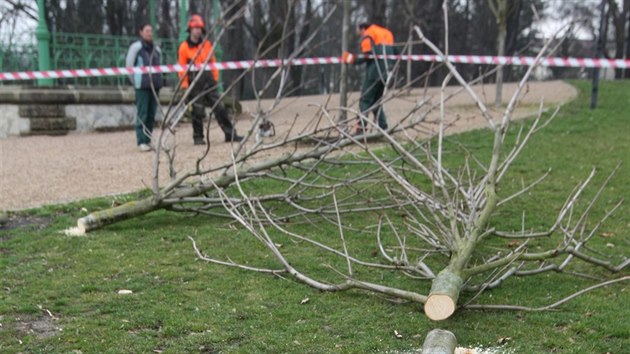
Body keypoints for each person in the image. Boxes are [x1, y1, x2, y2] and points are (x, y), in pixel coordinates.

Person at [178, 14, 243, 145]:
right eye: (195, 28)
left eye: (199, 28)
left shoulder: (207, 44)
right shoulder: (184, 47)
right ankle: (198, 138)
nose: (197, 31)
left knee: (220, 108)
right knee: (197, 111)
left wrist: (215, 79)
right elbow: (182, 68)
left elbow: (213, 62)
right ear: (190, 29)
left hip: (209, 81)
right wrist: (185, 86)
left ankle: (230, 134)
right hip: (194, 83)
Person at [343, 22, 395, 134]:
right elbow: (395, 53)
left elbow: (367, 56)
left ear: (362, 28)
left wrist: (350, 59)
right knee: (377, 101)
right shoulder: (387, 33)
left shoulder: (369, 33)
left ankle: (360, 129)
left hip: (374, 73)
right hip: (387, 73)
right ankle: (383, 127)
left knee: (365, 101)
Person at [126, 23, 163, 152]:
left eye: (151, 31)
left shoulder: (157, 49)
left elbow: (160, 66)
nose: (149, 33)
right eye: (147, 31)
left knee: (152, 114)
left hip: (155, 85)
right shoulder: (136, 48)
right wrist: (135, 81)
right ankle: (141, 140)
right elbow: (129, 66)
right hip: (142, 85)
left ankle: (148, 140)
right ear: (141, 32)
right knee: (143, 113)